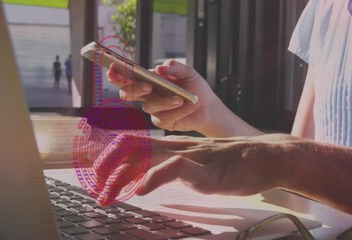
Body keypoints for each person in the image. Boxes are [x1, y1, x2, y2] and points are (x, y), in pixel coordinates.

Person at [95, 0, 352, 215]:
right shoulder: (325, 6)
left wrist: (285, 159)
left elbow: (295, 158)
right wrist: (210, 115)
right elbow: (302, 162)